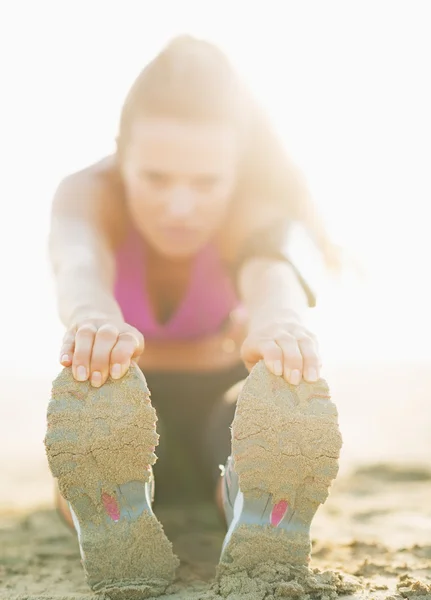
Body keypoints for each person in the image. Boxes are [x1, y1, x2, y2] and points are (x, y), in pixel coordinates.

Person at [45, 35, 342, 597]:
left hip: (223, 407)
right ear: (121, 155)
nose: (180, 207)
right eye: (155, 178)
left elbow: (271, 275)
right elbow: (77, 265)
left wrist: (281, 323)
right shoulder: (87, 195)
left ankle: (250, 515)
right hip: (119, 397)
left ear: (235, 170)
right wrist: (92, 320)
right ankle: (107, 521)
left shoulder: (251, 209)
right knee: (96, 434)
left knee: (247, 429)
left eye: (206, 183)